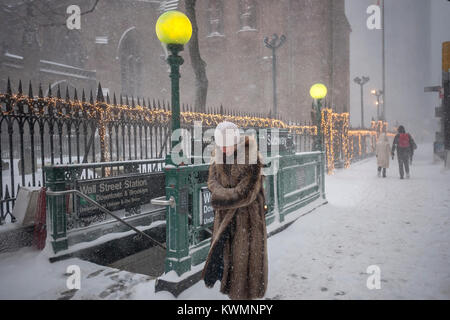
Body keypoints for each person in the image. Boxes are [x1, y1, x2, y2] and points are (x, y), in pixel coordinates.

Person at [202, 121, 268, 300]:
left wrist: (219, 197)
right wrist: (225, 195)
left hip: (248, 222)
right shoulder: (217, 157)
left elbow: (245, 194)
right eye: (221, 143)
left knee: (244, 274)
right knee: (228, 268)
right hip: (225, 221)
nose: (224, 148)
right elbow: (211, 182)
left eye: (227, 143)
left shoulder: (251, 159)